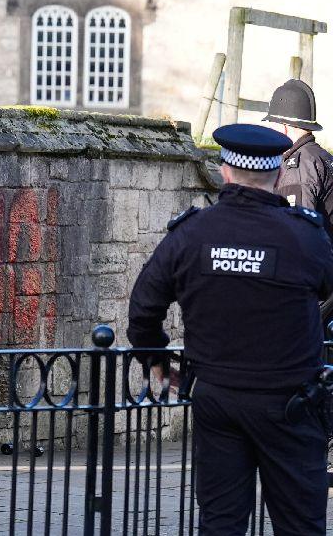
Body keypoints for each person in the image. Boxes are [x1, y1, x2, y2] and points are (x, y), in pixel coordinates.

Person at [127, 123, 333, 535]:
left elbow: (143, 309)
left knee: (221, 522)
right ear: (277, 175)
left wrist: (157, 362)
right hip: (290, 402)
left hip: (217, 400)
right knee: (300, 525)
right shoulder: (305, 236)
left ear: (225, 171)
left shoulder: (191, 234)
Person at [265, 79, 333, 239]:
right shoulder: (322, 157)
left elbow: (296, 233)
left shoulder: (298, 167)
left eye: (271, 125)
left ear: (283, 128)